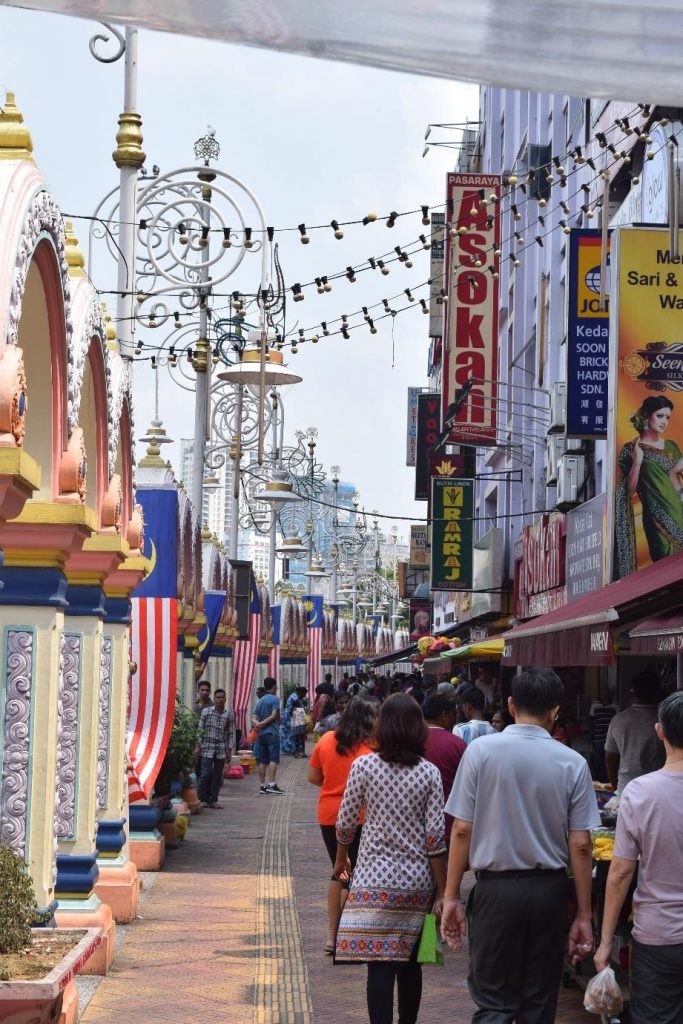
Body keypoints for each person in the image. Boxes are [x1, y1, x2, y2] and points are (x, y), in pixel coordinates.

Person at [441, 668, 601, 1024]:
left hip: (495, 892)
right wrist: (585, 915)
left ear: (511, 705)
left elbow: (462, 830)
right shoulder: (573, 762)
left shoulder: (480, 752)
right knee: (538, 1001)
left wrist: (451, 895)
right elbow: (580, 846)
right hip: (549, 892)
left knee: (494, 1001)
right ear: (555, 711)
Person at [333, 693, 447, 1024]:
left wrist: (341, 859)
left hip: (372, 879)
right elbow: (435, 839)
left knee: (379, 963)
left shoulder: (364, 765)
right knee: (411, 961)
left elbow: (345, 821)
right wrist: (442, 890)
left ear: (382, 726)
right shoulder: (429, 773)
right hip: (416, 883)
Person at [595, 691, 683, 1023]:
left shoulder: (640, 792)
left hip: (657, 934)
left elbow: (619, 874)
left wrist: (605, 942)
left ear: (659, 732)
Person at [308, 696, 378, 953]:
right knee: (357, 873)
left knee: (338, 870)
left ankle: (331, 936)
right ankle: (348, 934)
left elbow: (313, 776)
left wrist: (334, 787)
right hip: (361, 816)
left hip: (328, 814)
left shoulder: (327, 739)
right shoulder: (372, 747)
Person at [615, 394, 683, 578]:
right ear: (646, 416)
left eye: (667, 417)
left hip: (680, 513)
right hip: (656, 519)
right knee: (666, 572)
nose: (664, 422)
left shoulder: (671, 446)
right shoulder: (630, 450)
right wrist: (637, 462)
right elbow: (628, 491)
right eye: (660, 416)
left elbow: (677, 478)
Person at [605, 670, 665, 794]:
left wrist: (616, 788)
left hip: (626, 788)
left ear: (634, 692)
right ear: (657, 691)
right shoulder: (664, 721)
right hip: (657, 790)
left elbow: (610, 758)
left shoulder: (618, 720)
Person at [422, 691, 466, 844]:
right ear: (444, 714)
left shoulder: (411, 740)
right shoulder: (457, 744)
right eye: (454, 713)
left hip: (416, 824)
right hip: (448, 824)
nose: (455, 718)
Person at [195, 688, 234, 809]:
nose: (220, 699)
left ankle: (213, 799)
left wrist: (229, 750)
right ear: (215, 698)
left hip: (221, 750)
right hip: (207, 748)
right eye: (218, 697)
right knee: (205, 774)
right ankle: (201, 799)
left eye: (222, 697)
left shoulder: (229, 714)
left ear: (225, 699)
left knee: (217, 775)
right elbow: (200, 730)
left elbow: (230, 733)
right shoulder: (206, 712)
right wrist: (198, 746)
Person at [252, 677, 284, 795]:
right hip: (272, 733)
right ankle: (272, 784)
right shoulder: (275, 699)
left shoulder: (260, 701)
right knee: (273, 759)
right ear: (274, 687)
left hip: (261, 735)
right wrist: (263, 723)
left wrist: (258, 724)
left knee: (262, 761)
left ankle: (262, 786)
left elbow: (253, 718)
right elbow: (273, 715)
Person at [589, 684, 617, 781]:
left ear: (609, 695)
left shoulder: (615, 706)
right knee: (598, 761)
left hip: (610, 738)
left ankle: (609, 780)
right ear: (600, 695)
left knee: (610, 761)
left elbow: (616, 723)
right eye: (602, 694)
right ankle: (600, 781)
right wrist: (591, 738)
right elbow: (591, 723)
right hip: (597, 738)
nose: (604, 696)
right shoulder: (594, 706)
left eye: (606, 694)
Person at [281, 685, 304, 756]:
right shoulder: (294, 697)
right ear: (300, 692)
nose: (304, 696)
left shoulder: (294, 696)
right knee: (290, 734)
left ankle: (289, 749)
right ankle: (292, 750)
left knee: (288, 734)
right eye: (304, 694)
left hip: (288, 716)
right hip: (290, 717)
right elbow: (292, 707)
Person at [291, 687, 308, 758]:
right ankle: (302, 752)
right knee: (301, 739)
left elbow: (291, 714)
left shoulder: (297, 702)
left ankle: (297, 753)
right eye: (304, 694)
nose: (304, 695)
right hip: (300, 724)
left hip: (296, 724)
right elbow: (304, 715)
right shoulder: (300, 702)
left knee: (297, 739)